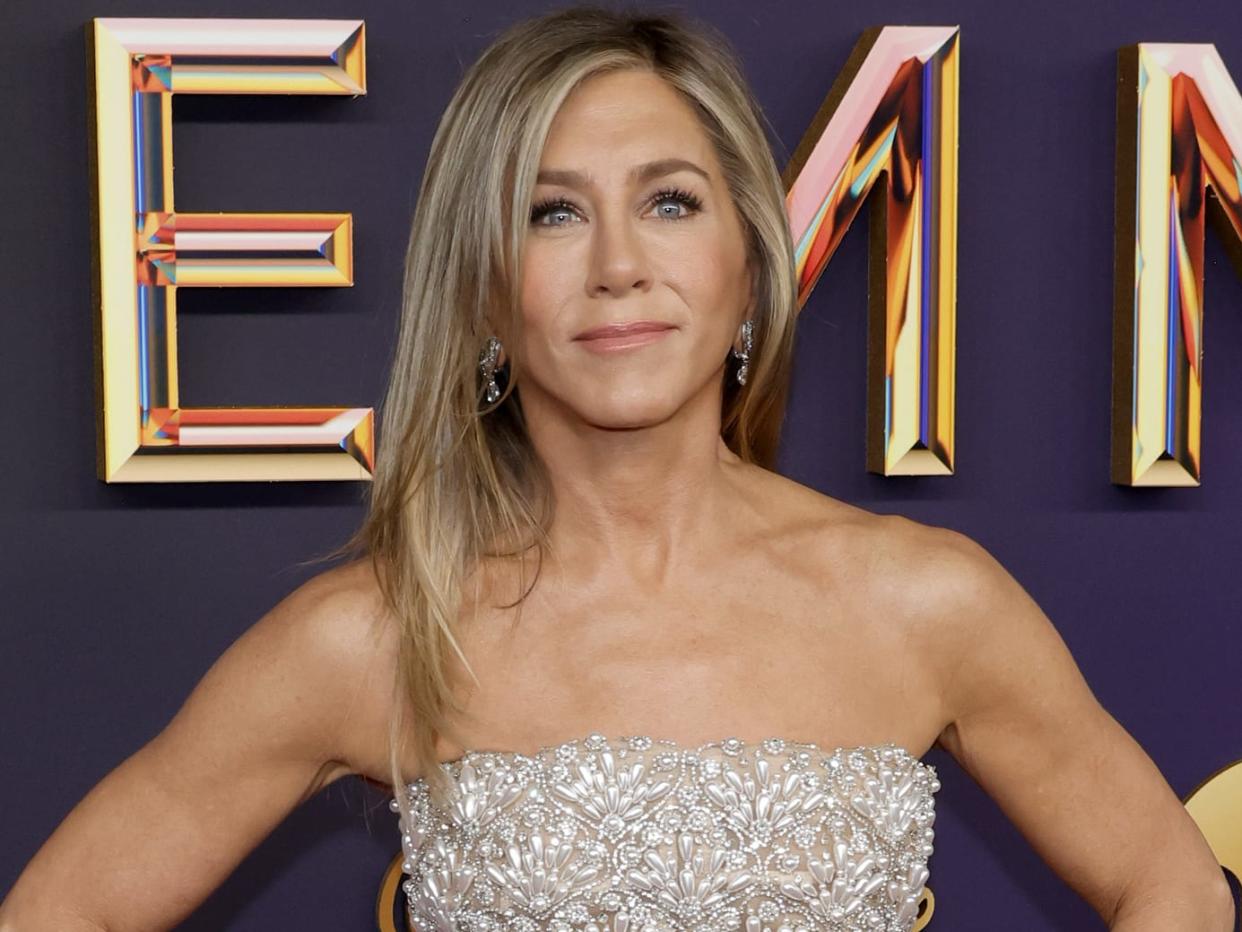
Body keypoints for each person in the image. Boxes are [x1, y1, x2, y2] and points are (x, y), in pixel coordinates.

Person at [2, 6, 1234, 931]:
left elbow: (1169, 881)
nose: (618, 266)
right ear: (487, 293)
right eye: (552, 212)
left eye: (672, 202)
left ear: (751, 265)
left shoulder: (927, 601)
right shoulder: (379, 632)